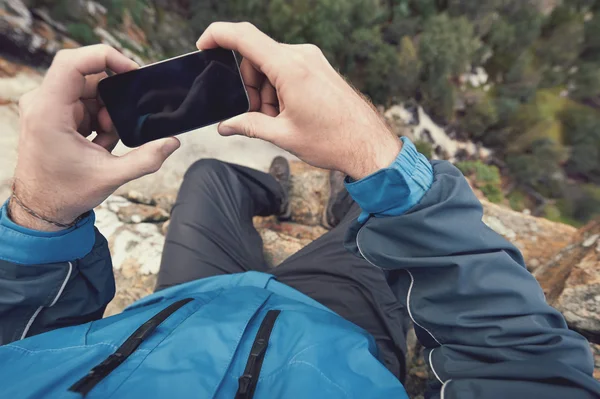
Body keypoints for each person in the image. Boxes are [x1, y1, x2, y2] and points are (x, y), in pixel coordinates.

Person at [0, 22, 598, 399]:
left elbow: (16, 341)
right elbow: (535, 374)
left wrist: (39, 213)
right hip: (331, 325)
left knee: (209, 174)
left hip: (185, 304)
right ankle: (347, 201)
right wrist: (374, 156)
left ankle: (284, 193)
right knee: (370, 229)